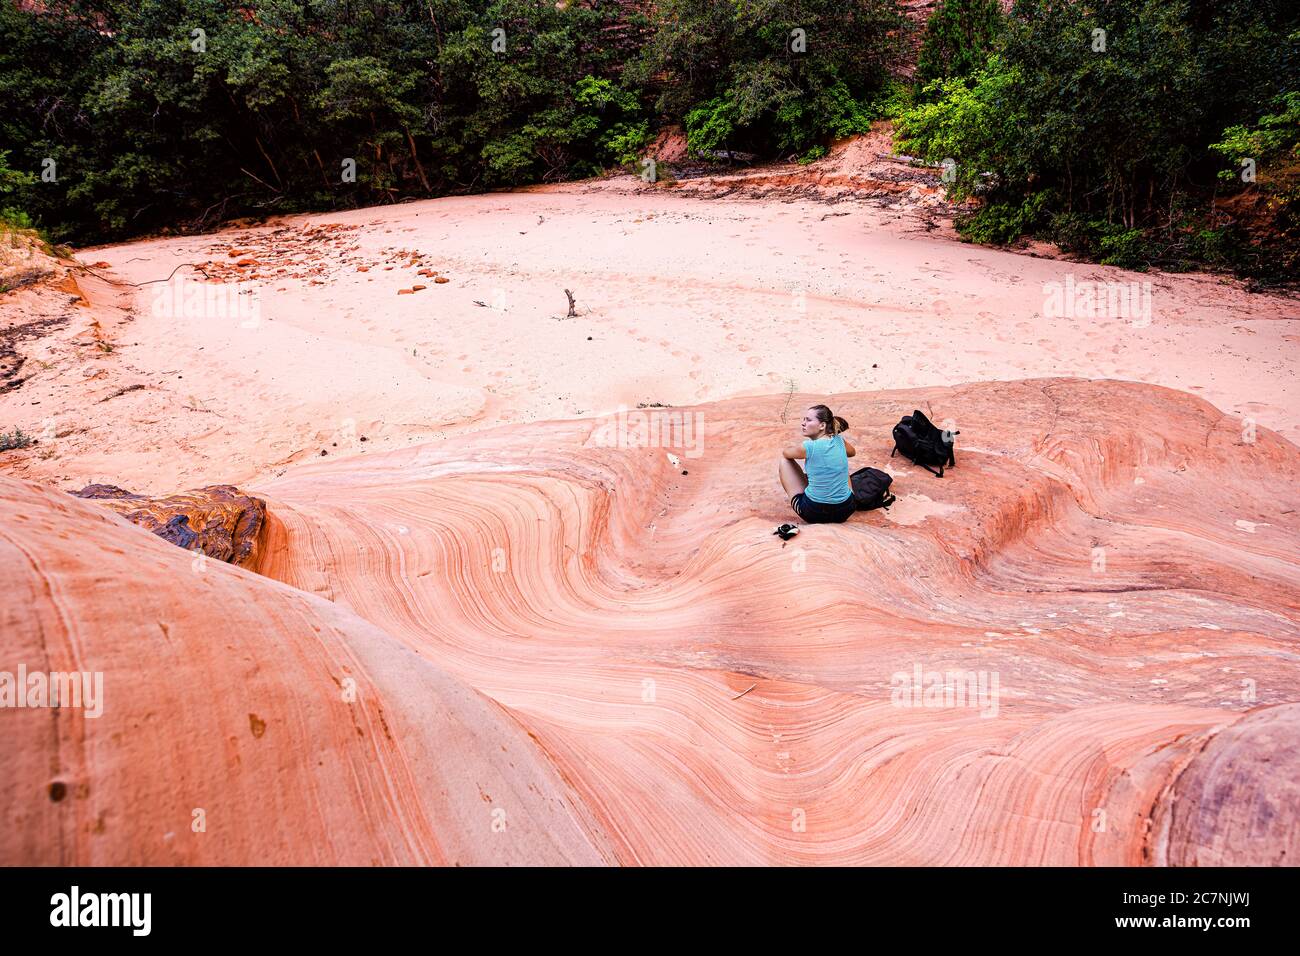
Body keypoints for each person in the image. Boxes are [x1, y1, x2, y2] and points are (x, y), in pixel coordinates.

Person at [778, 404, 856, 523]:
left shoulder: (808, 446)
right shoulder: (839, 440)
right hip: (845, 511)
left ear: (822, 425)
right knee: (840, 465)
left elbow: (786, 453)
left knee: (784, 461)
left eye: (808, 420)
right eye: (804, 419)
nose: (803, 423)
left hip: (814, 513)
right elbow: (852, 453)